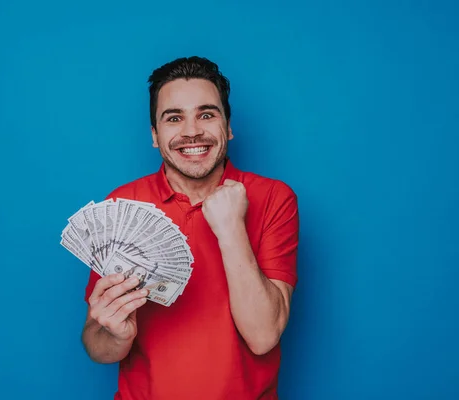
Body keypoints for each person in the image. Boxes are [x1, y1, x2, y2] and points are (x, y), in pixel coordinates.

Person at [81, 56, 299, 400]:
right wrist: (116, 336)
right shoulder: (122, 205)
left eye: (207, 114)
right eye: (174, 118)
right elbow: (97, 347)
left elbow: (263, 336)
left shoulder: (273, 198)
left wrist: (231, 229)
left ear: (227, 127)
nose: (192, 131)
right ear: (155, 135)